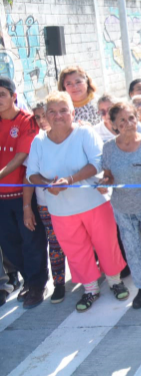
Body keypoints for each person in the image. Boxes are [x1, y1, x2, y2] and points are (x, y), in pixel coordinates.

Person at [27, 92, 129, 312]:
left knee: (106, 243)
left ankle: (114, 281)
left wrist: (71, 180)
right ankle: (91, 289)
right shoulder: (38, 141)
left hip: (94, 203)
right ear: (44, 115)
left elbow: (98, 163)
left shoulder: (84, 133)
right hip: (60, 209)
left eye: (64, 110)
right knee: (75, 250)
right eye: (52, 111)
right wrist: (48, 184)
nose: (58, 115)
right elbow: (31, 174)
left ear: (72, 112)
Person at [100, 102, 141, 310]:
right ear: (114, 125)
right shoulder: (109, 147)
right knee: (132, 250)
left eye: (131, 118)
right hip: (122, 207)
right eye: (122, 120)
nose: (129, 123)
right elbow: (109, 175)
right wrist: (105, 182)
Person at [0, 77, 48, 309]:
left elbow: (21, 158)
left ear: (13, 96)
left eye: (2, 94)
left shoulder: (28, 121)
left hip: (22, 195)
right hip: (1, 200)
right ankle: (29, 280)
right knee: (9, 245)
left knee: (31, 242)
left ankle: (37, 285)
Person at [26, 102, 66, 304]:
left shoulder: (71, 135)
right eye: (38, 117)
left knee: (77, 240)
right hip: (45, 204)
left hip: (73, 201)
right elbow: (29, 176)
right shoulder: (36, 142)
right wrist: (27, 207)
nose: (42, 121)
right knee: (55, 243)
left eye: (45, 115)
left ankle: (89, 278)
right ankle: (59, 284)